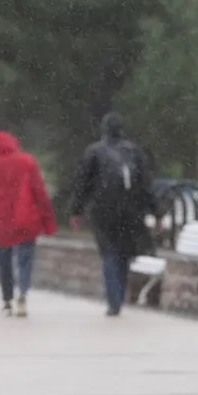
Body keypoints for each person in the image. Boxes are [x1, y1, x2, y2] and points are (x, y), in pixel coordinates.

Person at [69, 112, 157, 316]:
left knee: (109, 253)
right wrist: (156, 212)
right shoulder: (134, 152)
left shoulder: (94, 152)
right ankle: (119, 295)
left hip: (103, 211)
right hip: (131, 211)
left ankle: (113, 299)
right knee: (124, 254)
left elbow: (83, 184)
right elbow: (146, 185)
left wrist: (76, 211)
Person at [0, 131, 56, 317]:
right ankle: (22, 293)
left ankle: (7, 300)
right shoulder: (28, 161)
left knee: (4, 260)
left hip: (3, 220)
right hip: (26, 217)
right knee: (25, 259)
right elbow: (39, 191)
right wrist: (47, 219)